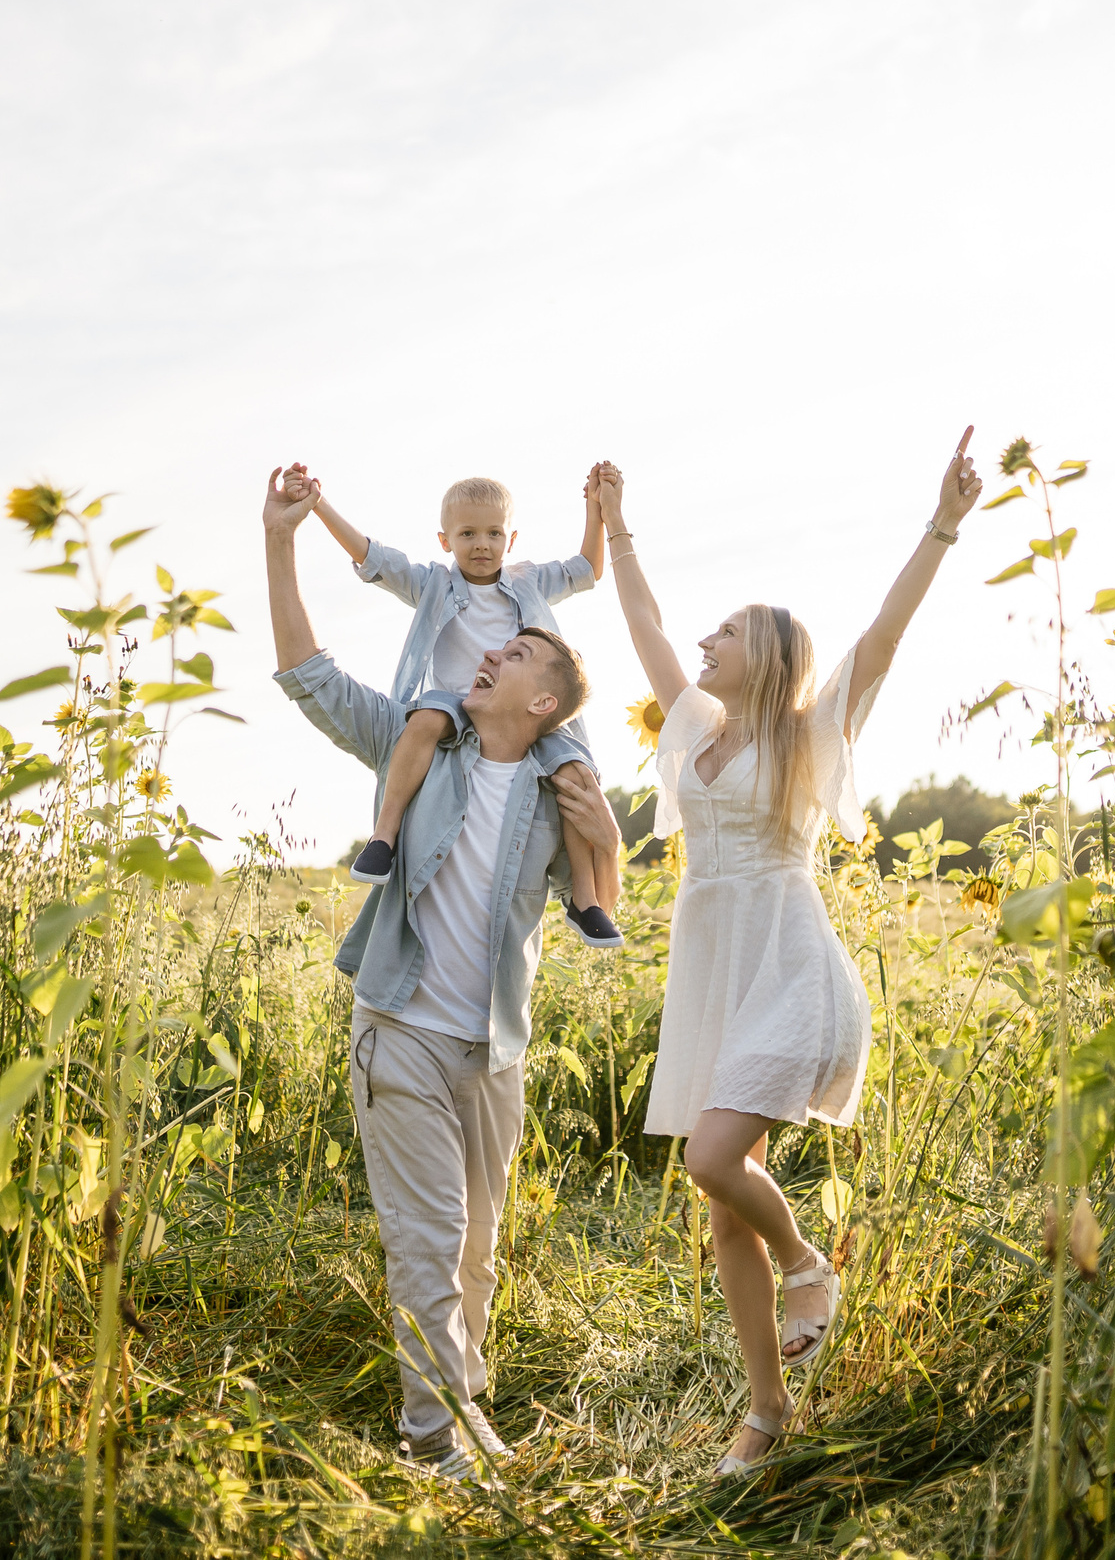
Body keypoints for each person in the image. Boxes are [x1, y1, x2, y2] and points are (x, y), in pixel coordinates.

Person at [593, 432, 983, 1475]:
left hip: (788, 963)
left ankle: (809, 1260)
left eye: (727, 633)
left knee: (711, 1160)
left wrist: (941, 523)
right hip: (713, 967)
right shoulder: (696, 729)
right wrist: (614, 524)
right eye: (709, 632)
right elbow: (644, 624)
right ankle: (765, 1416)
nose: (706, 642)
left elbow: (883, 640)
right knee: (723, 1204)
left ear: (768, 654)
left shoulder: (809, 734)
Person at [262, 463, 626, 1482]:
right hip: (401, 1029)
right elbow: (311, 678)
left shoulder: (562, 791)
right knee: (432, 1241)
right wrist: (283, 542)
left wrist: (611, 846)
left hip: (491, 1051)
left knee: (476, 1249)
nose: (484, 650)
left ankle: (465, 1409)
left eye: (509, 651)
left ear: (543, 695)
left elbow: (601, 899)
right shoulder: (416, 747)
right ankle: (436, 1441)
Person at [298, 466, 623, 946]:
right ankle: (383, 838)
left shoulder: (528, 581)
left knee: (575, 771)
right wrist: (320, 504)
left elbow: (588, 569)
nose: (481, 545)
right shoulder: (433, 585)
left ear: (511, 539)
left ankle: (585, 897)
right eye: (467, 534)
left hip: (526, 710)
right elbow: (373, 557)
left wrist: (595, 509)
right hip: (456, 702)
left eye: (493, 533)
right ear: (444, 540)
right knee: (425, 719)